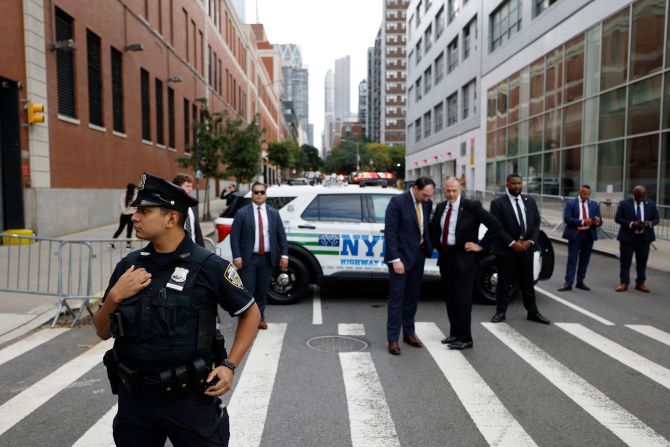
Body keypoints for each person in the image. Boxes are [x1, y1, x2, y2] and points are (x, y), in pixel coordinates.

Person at [93, 172, 260, 446]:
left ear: (171, 219)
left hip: (189, 400)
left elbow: (251, 313)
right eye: (137, 210)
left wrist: (230, 365)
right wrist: (114, 296)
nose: (135, 217)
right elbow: (101, 331)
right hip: (135, 401)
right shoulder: (129, 265)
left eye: (145, 211)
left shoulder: (209, 266)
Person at [430, 176, 501, 350]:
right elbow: (434, 229)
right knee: (450, 298)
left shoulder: (471, 207)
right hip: (446, 258)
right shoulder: (440, 207)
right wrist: (439, 247)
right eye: (448, 190)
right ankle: (454, 333)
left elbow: (495, 225)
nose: (451, 194)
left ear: (460, 189)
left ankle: (465, 338)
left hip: (464, 258)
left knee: (463, 300)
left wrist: (480, 246)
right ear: (443, 189)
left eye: (454, 190)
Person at [489, 174, 550, 325]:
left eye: (519, 183)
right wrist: (511, 243)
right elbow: (496, 226)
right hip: (506, 250)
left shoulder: (529, 201)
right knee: (504, 282)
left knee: (527, 283)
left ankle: (532, 312)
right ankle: (501, 311)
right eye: (513, 183)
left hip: (526, 249)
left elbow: (536, 223)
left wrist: (530, 241)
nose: (517, 186)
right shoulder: (497, 203)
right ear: (507, 184)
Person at [384, 176, 435, 355]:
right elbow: (390, 233)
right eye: (425, 195)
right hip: (401, 259)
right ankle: (392, 339)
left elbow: (425, 227)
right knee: (397, 299)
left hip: (418, 256)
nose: (427, 199)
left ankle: (409, 333)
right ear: (415, 188)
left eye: (430, 196)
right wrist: (395, 259)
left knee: (412, 298)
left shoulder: (427, 204)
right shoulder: (397, 202)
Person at [230, 182, 288, 330]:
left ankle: (260, 318)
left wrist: (285, 256)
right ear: (252, 194)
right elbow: (234, 237)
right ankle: (245, 321)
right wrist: (237, 257)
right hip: (248, 260)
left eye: (262, 192)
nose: (259, 195)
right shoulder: (242, 213)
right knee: (247, 292)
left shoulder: (273, 213)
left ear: (266, 194)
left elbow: (281, 236)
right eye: (256, 192)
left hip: (267, 259)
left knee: (262, 292)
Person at [614, 185, 659, 293]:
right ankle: (624, 282)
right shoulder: (624, 204)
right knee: (625, 262)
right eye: (639, 196)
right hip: (628, 237)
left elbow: (656, 219)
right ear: (634, 194)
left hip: (644, 238)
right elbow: (618, 218)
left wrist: (649, 223)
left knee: (642, 262)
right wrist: (631, 224)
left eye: (643, 196)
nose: (641, 199)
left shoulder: (651, 204)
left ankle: (640, 283)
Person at [558, 185, 602, 292]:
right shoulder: (571, 203)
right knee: (572, 258)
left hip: (588, 235)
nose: (587, 196)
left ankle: (580, 281)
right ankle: (568, 282)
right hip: (575, 234)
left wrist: (597, 221)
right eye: (585, 194)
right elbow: (567, 218)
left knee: (585, 259)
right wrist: (582, 222)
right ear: (580, 193)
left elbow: (600, 221)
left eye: (588, 194)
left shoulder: (594, 205)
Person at [173, 174, 204, 247]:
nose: (190, 189)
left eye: (191, 186)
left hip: (193, 248)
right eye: (187, 186)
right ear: (177, 187)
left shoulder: (193, 205)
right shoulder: (170, 207)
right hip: (176, 249)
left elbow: (197, 230)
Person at [110, 183, 137, 249]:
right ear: (133, 189)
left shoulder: (123, 195)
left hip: (123, 215)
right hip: (131, 215)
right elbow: (136, 207)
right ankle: (128, 245)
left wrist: (125, 211)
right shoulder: (134, 196)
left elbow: (121, 205)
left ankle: (111, 243)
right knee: (129, 230)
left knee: (120, 229)